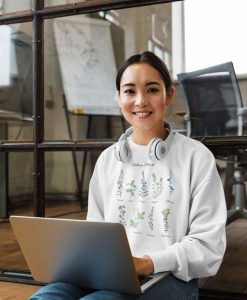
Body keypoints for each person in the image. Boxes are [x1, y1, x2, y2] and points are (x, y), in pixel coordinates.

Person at [29, 51, 227, 300]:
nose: (140, 101)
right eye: (130, 91)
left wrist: (145, 263)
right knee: (46, 297)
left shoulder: (196, 157)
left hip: (168, 277)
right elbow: (95, 233)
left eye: (152, 90)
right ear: (118, 97)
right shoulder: (108, 159)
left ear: (169, 95)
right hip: (106, 273)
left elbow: (207, 248)